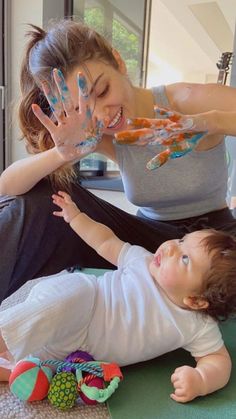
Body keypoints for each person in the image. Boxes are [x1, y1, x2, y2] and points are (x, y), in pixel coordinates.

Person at [0, 19, 236, 303]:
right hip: (149, 240)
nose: (101, 114)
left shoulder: (188, 100)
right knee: (42, 198)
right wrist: (63, 154)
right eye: (83, 107)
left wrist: (211, 123)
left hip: (216, 239)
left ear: (117, 60)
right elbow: (8, 186)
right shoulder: (97, 132)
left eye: (102, 92)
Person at [0, 191, 236, 403]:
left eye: (185, 258)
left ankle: (9, 365)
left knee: (36, 367)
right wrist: (77, 218)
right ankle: (4, 331)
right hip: (80, 301)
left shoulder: (198, 325)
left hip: (77, 349)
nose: (172, 247)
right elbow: (105, 241)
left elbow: (219, 361)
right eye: (182, 240)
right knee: (62, 305)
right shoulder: (142, 261)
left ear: (196, 301)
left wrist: (202, 380)